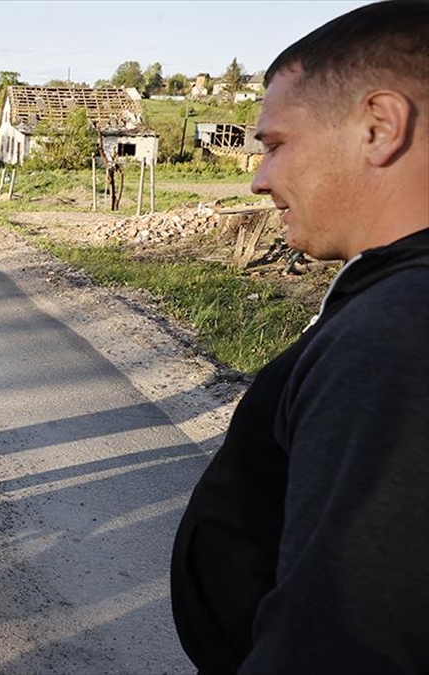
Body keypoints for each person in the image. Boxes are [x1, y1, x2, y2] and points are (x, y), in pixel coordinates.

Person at [170, 2, 428, 673]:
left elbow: (348, 634)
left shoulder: (395, 337)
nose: (260, 177)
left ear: (379, 127)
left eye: (278, 143)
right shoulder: (391, 301)